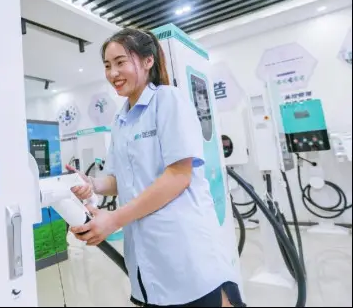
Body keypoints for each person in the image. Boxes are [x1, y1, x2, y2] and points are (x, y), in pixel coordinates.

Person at [67, 28, 245, 307]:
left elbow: (178, 176)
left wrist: (113, 220)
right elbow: (118, 178)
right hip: (146, 258)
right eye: (107, 65)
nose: (113, 73)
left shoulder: (168, 100)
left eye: (120, 62)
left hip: (186, 251)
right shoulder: (121, 119)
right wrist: (91, 183)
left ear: (148, 61)